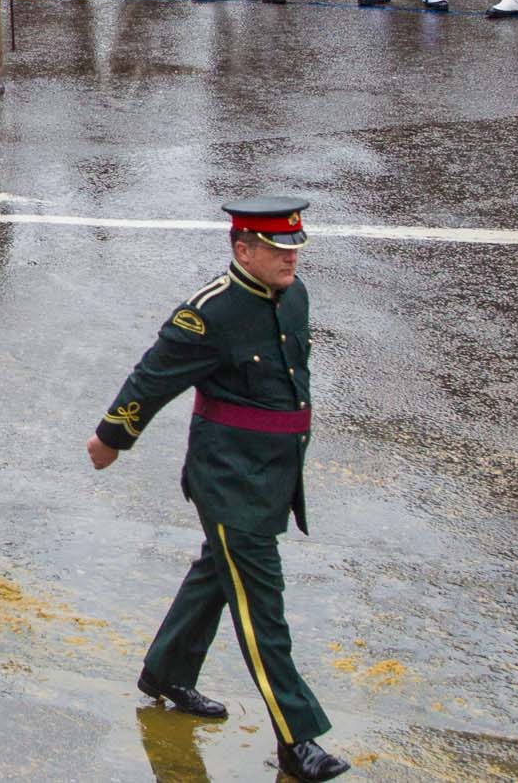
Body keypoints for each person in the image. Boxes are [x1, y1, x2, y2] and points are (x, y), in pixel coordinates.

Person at [86, 196, 351, 783]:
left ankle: (166, 671)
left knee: (217, 574)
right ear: (243, 250)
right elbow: (153, 376)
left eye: (295, 248)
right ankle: (297, 738)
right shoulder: (209, 314)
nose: (291, 259)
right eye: (278, 250)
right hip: (229, 479)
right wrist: (111, 437)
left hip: (273, 473)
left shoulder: (293, 297)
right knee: (262, 611)